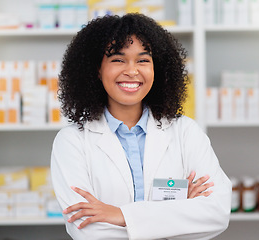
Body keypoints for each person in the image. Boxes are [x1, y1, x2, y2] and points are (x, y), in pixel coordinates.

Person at [51, 13, 232, 240]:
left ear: (158, 68)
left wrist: (120, 215)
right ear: (97, 69)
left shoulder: (185, 132)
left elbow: (216, 213)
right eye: (118, 59)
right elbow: (89, 231)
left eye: (143, 60)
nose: (132, 71)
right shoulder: (72, 141)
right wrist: (181, 213)